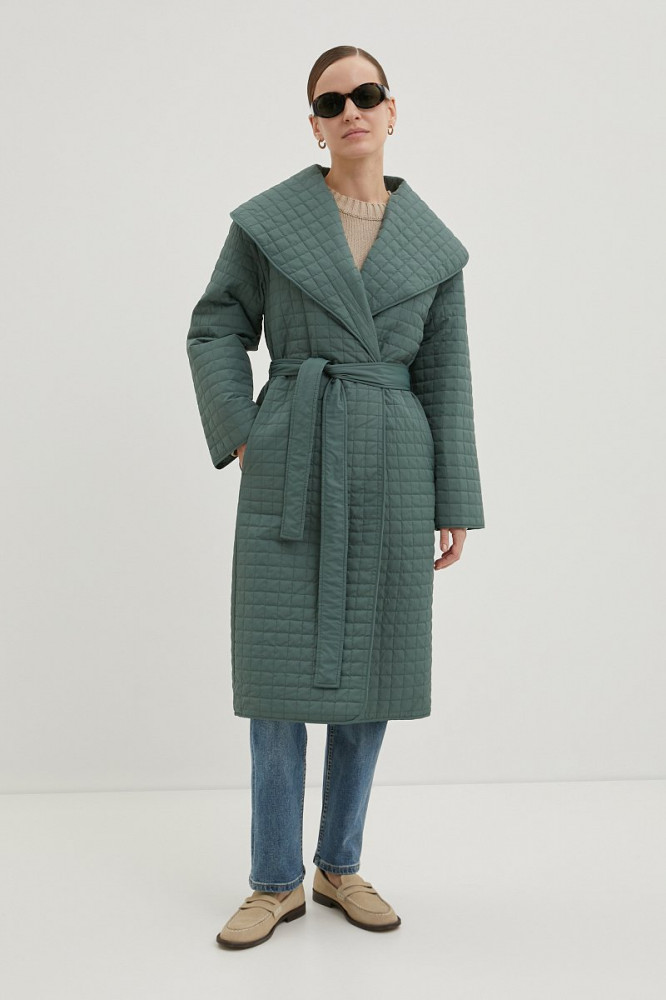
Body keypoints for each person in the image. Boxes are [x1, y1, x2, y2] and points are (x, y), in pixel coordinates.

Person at [186, 45, 485, 950]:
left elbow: (446, 373)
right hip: (293, 453)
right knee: (273, 678)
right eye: (331, 100)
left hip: (393, 463)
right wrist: (245, 431)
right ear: (315, 124)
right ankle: (274, 880)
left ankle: (339, 865)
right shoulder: (269, 224)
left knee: (373, 670)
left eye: (367, 93)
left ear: (393, 110)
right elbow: (216, 326)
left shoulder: (433, 246)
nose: (351, 108)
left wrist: (454, 499)